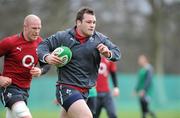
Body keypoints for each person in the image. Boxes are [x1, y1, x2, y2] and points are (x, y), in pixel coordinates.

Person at [37, 7, 121, 118]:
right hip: (66, 88)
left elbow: (117, 52)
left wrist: (108, 53)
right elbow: (42, 46)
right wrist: (47, 57)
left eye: (94, 22)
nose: (92, 25)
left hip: (85, 91)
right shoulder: (64, 36)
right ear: (78, 22)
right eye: (88, 22)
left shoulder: (99, 38)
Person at [0, 14, 50, 118]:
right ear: (25, 27)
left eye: (39, 28)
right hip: (9, 87)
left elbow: (47, 64)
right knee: (24, 114)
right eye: (34, 28)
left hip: (25, 90)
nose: (37, 31)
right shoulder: (10, 42)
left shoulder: (41, 44)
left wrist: (40, 71)